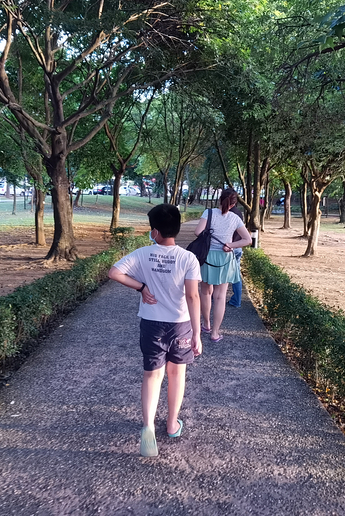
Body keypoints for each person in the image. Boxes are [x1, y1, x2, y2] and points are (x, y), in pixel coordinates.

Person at [108, 204, 202, 458]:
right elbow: (193, 296)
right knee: (176, 374)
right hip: (180, 324)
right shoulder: (188, 258)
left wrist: (140, 287)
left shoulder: (142, 254)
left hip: (151, 323)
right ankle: (172, 425)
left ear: (155, 231)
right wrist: (197, 333)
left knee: (152, 375)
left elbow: (114, 273)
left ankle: (148, 426)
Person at [194, 189, 251, 342]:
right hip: (225, 258)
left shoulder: (208, 213)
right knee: (220, 297)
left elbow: (198, 231)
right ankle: (215, 333)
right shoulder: (235, 218)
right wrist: (231, 244)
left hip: (207, 257)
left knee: (205, 293)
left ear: (220, 199)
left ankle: (205, 325)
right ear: (234, 204)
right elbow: (248, 240)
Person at [228, 206, 245, 308]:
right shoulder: (239, 213)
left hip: (229, 247)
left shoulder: (227, 214)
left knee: (220, 273)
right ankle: (236, 300)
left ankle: (214, 296)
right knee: (236, 275)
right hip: (238, 247)